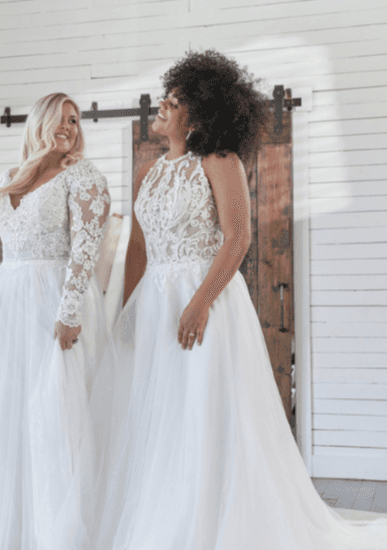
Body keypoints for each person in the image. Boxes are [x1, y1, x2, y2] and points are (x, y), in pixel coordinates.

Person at [95, 50, 387, 549]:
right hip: (155, 304)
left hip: (205, 302)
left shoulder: (219, 161)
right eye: (165, 97)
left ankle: (213, 524)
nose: (163, 105)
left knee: (206, 413)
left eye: (175, 99)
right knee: (160, 422)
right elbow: (139, 249)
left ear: (200, 112)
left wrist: (200, 301)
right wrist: (124, 310)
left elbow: (237, 239)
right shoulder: (152, 171)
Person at [0, 92, 114, 550]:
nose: (69, 128)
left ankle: (58, 534)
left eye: (76, 121)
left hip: (53, 304)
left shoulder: (83, 177)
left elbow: (86, 247)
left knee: (54, 418)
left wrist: (68, 311)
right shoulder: (7, 179)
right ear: (39, 122)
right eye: (61, 119)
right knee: (6, 417)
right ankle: (12, 530)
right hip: (5, 312)